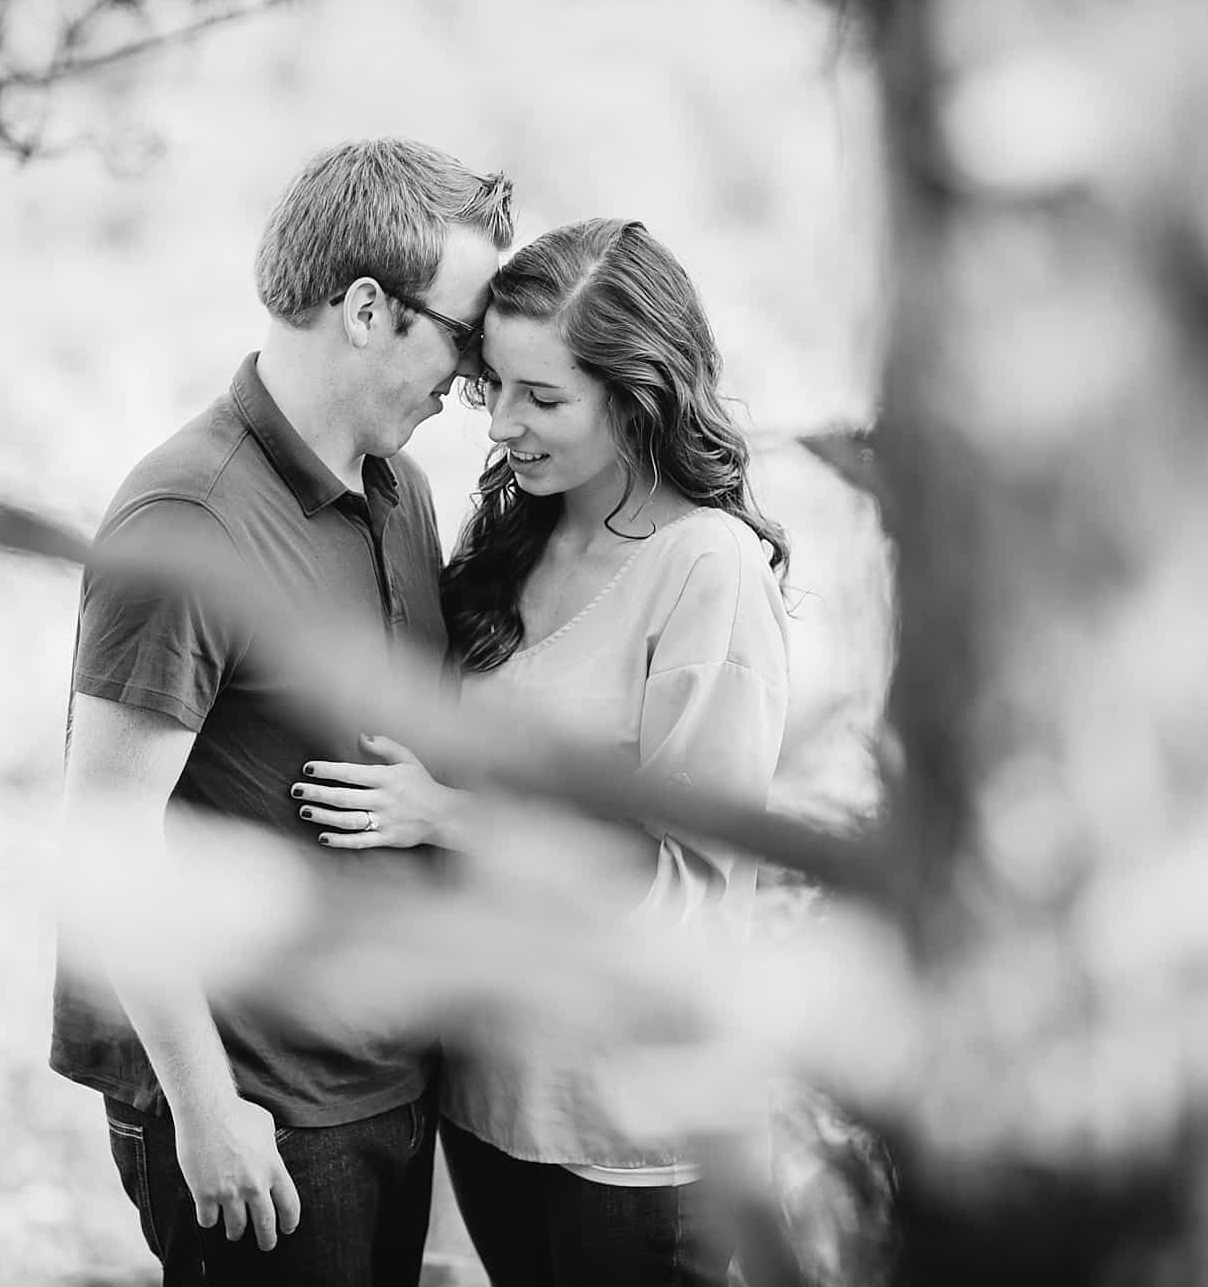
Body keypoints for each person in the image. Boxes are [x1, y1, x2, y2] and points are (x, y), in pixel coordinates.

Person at [51, 138, 514, 1287]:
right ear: (367, 309)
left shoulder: (397, 486)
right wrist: (206, 1111)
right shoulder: (188, 520)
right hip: (260, 1114)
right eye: (460, 340)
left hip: (388, 1090)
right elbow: (103, 839)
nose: (470, 385)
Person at [294, 217, 791, 1286]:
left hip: (631, 1135)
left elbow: (690, 889)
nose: (504, 424)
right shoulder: (514, 536)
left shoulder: (707, 573)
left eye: (544, 398)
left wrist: (449, 817)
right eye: (494, 387)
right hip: (487, 1103)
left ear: (639, 395)